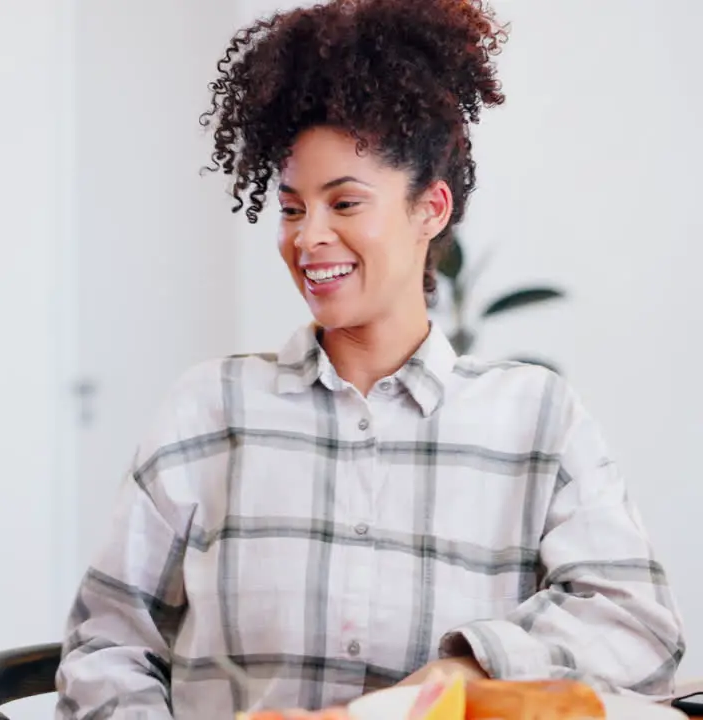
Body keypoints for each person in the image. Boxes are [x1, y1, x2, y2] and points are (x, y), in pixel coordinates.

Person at [54, 0, 685, 717]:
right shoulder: (210, 411)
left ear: (432, 209)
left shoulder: (538, 421)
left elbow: (639, 629)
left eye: (345, 204)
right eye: (291, 209)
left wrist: (461, 672)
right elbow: (105, 646)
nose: (308, 237)